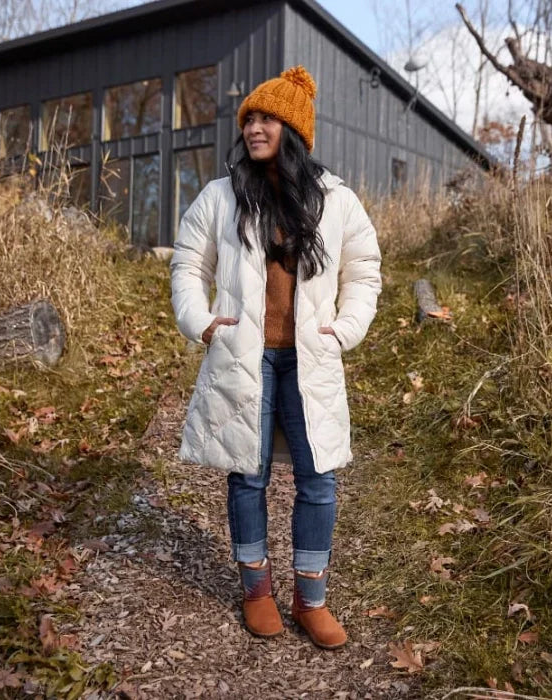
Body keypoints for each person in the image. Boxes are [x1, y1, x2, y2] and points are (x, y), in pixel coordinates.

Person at [170, 65, 382, 649]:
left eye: (266, 118)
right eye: (250, 119)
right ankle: (257, 590)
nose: (255, 127)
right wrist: (202, 322)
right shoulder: (221, 195)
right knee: (249, 473)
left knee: (319, 480)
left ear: (293, 129)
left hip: (310, 359)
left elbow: (365, 270)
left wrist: (344, 329)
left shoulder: (335, 200)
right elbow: (188, 263)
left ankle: (310, 598)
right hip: (246, 357)